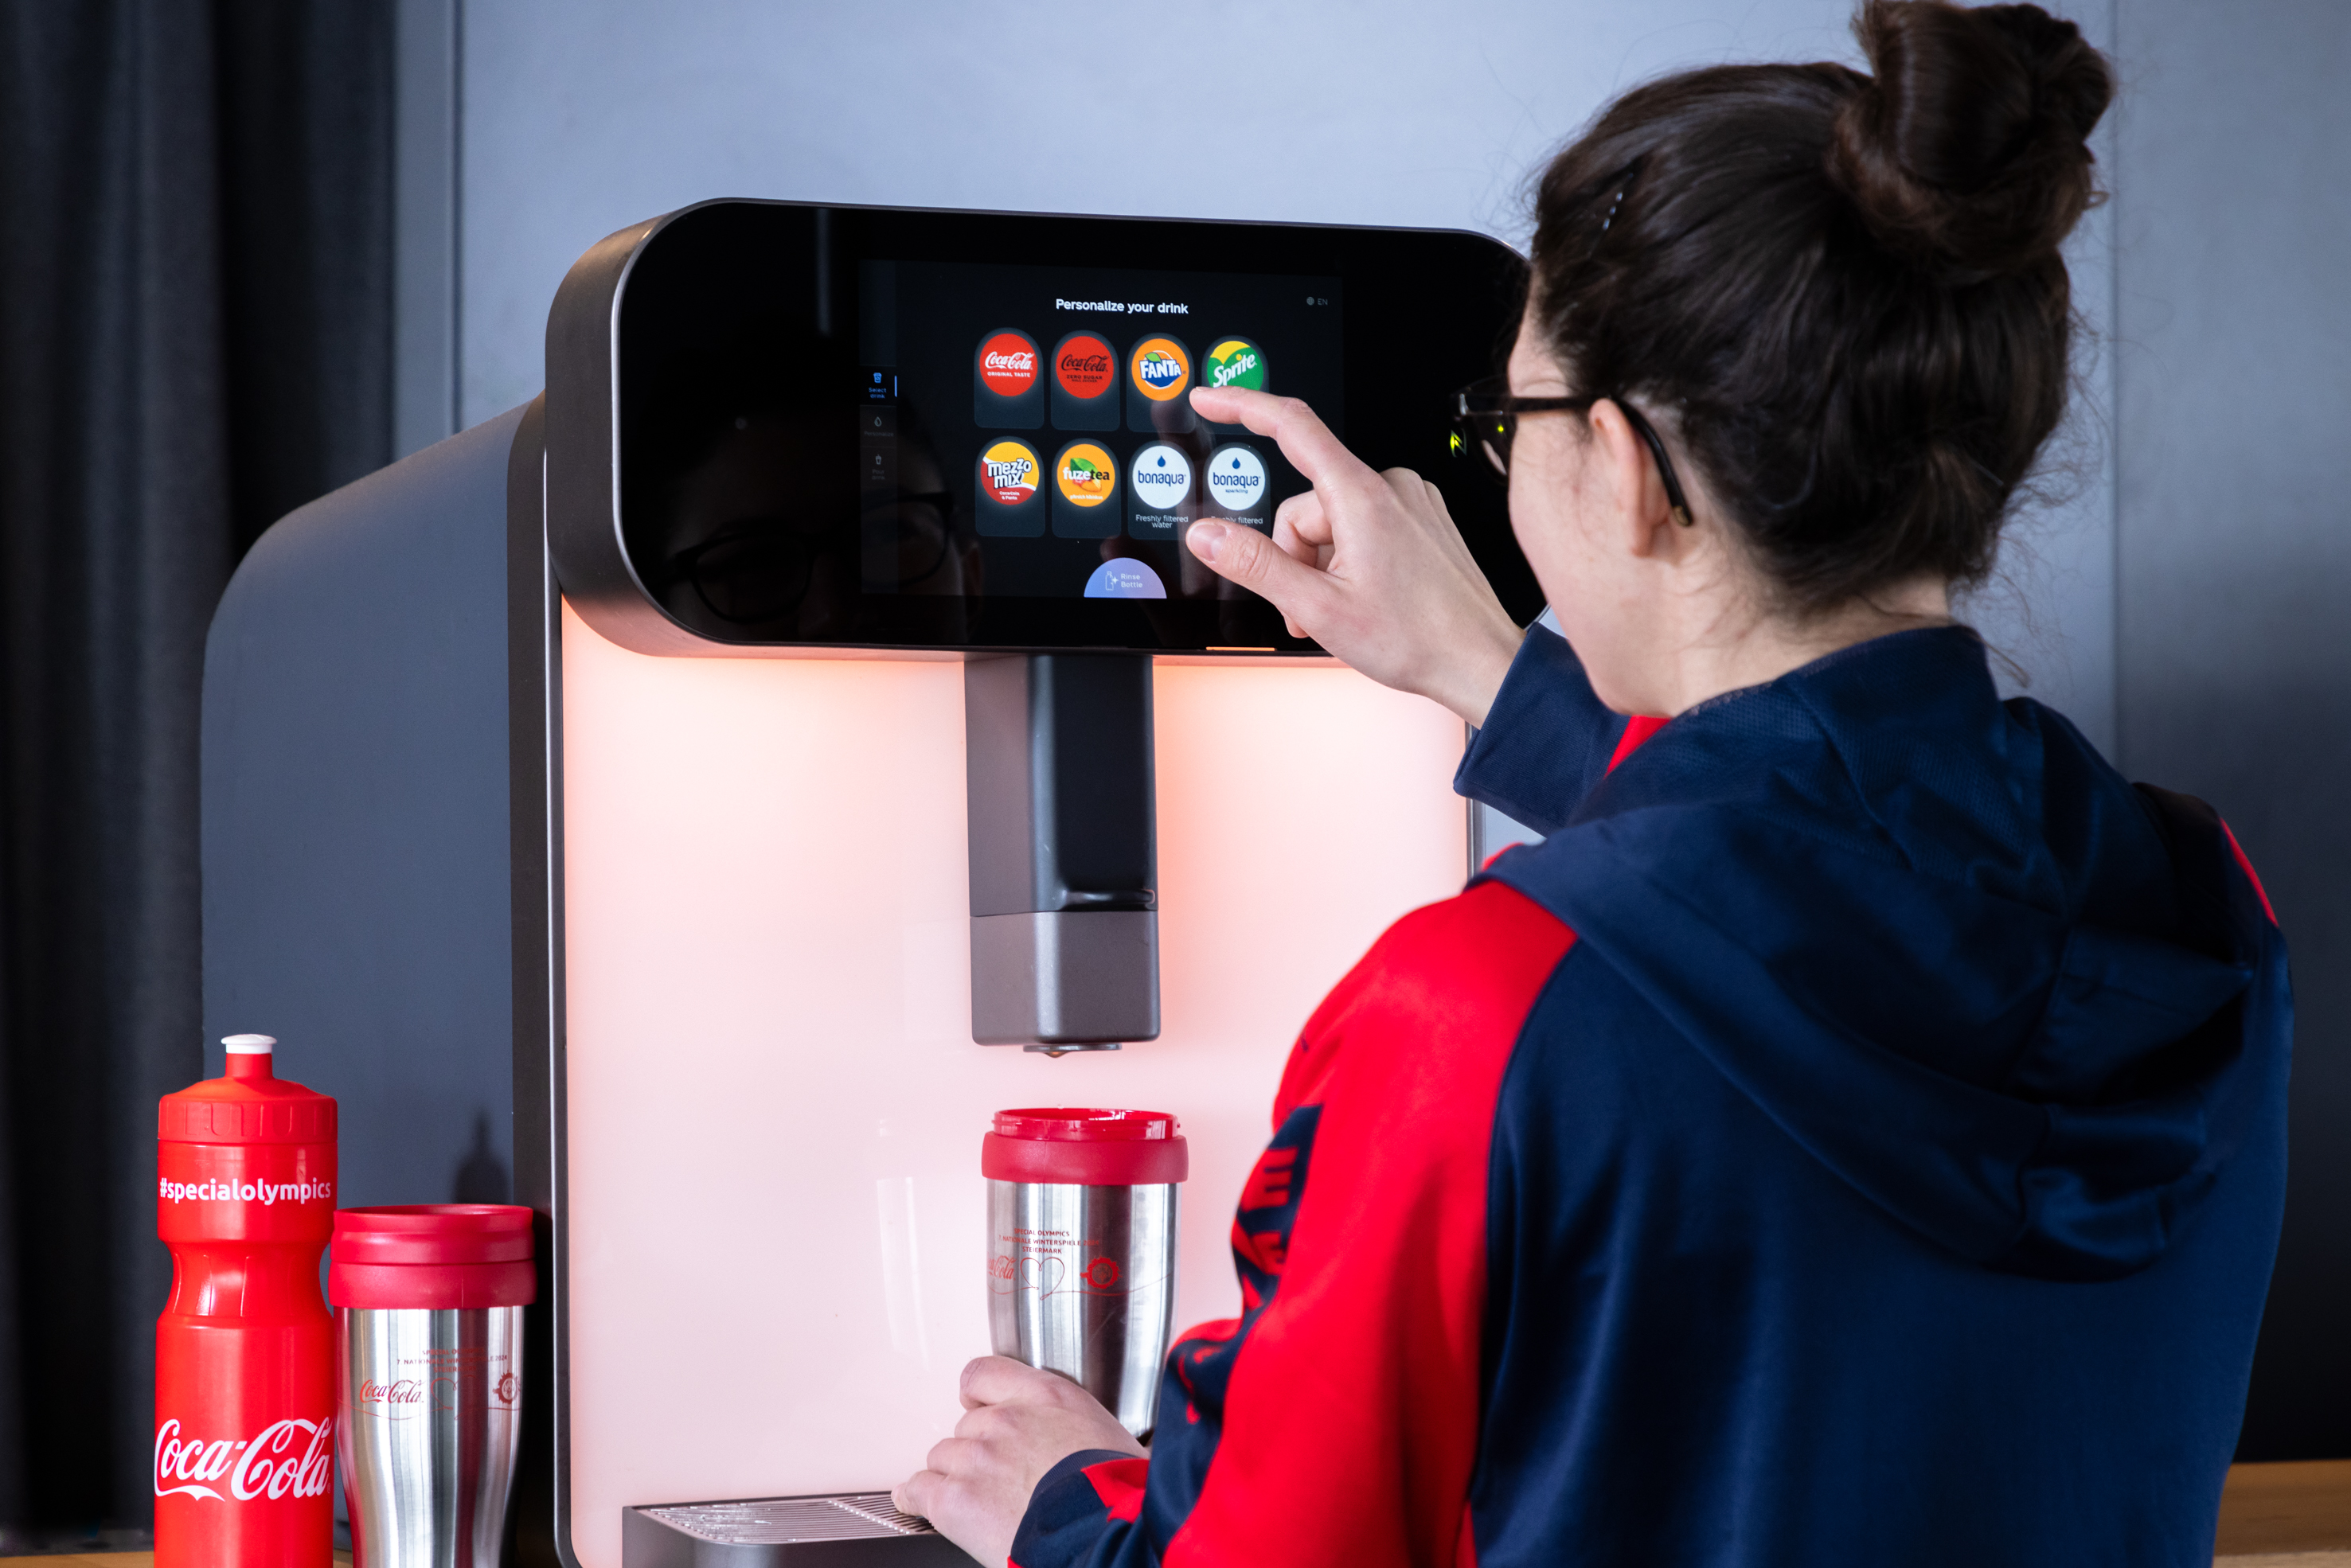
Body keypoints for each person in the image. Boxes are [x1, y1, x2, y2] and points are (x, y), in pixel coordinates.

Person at [895, 2, 2292, 1563]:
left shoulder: (1471, 1011)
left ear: (1621, 465)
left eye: (1514, 418)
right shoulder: (2197, 909)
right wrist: (1493, 676)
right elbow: (1830, 878)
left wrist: (1063, 1505)